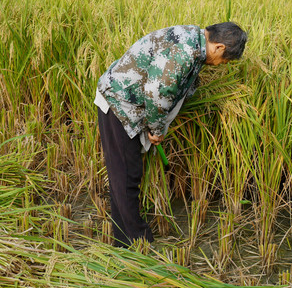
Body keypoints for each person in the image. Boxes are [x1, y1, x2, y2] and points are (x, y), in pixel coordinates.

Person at [94, 22, 247, 247]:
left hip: (130, 102)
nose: (221, 65)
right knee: (127, 175)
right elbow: (157, 92)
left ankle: (123, 240)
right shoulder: (184, 52)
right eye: (225, 60)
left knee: (124, 174)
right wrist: (156, 130)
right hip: (119, 103)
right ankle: (135, 241)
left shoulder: (195, 38)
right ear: (219, 47)